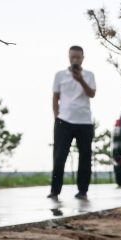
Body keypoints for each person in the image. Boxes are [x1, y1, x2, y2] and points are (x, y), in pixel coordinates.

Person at [49, 45, 96, 200]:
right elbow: (55, 97)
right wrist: (56, 116)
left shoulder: (89, 75)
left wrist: (80, 79)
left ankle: (82, 191)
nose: (75, 59)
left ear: (83, 58)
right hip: (64, 121)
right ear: (69, 57)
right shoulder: (60, 75)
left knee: (85, 157)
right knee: (59, 157)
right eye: (72, 57)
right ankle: (55, 191)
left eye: (78, 57)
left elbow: (91, 93)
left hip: (84, 122)